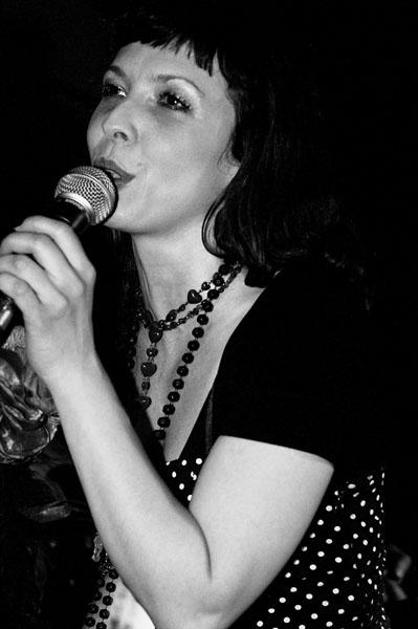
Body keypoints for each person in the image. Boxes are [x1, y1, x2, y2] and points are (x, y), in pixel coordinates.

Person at [0, 1, 389, 627]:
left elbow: (197, 608)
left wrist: (72, 367)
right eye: (113, 90)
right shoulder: (103, 311)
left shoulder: (313, 323)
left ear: (246, 152)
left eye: (171, 101)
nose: (115, 120)